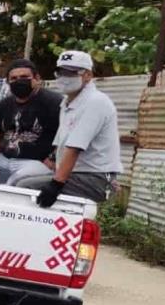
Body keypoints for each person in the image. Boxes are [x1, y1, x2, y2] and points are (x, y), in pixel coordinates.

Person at [13, 50, 122, 207]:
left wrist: (56, 184)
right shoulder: (67, 103)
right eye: (61, 72)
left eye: (71, 73)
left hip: (93, 178)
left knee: (25, 187)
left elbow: (74, 148)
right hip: (75, 175)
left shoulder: (95, 102)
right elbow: (61, 146)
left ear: (87, 76)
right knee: (19, 178)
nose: (64, 78)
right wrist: (49, 164)